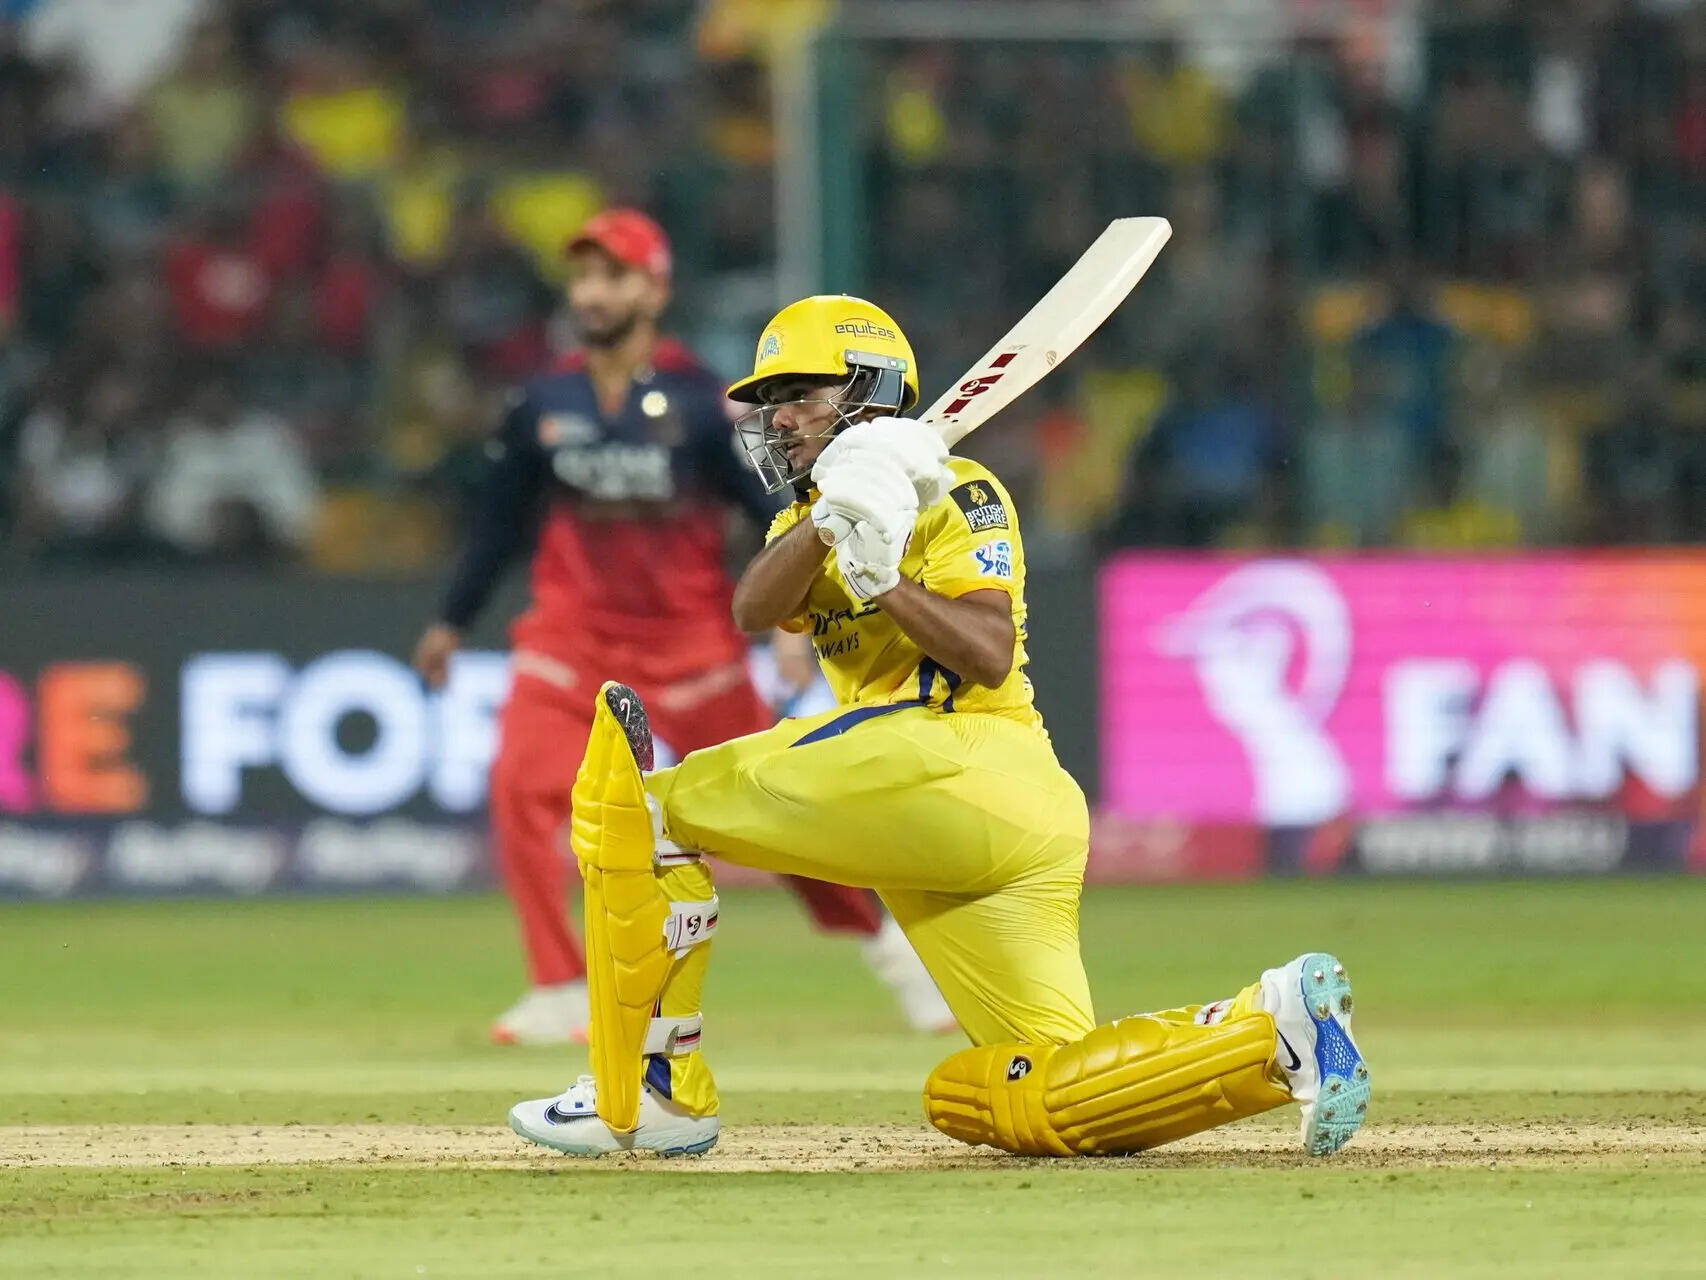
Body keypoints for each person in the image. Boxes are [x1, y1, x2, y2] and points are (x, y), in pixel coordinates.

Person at [505, 294, 1372, 1158]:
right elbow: (753, 607)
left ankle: (652, 1093)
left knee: (646, 810)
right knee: (1048, 1093)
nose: (780, 418)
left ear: (869, 391)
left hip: (963, 760)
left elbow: (987, 653)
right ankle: (1276, 1029)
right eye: (771, 401)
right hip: (948, 819)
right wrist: (832, 518)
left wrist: (886, 582)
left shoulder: (959, 489)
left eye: (800, 394)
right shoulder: (809, 514)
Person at [412, 211, 953, 1044]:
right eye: (583, 278)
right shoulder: (541, 401)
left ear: (655, 289)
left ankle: (893, 951)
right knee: (520, 788)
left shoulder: (705, 403)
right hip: (571, 641)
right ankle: (560, 987)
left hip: (691, 648)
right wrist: (451, 621)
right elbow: (499, 525)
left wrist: (793, 622)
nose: (593, 294)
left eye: (614, 277)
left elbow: (775, 514)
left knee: (775, 815)